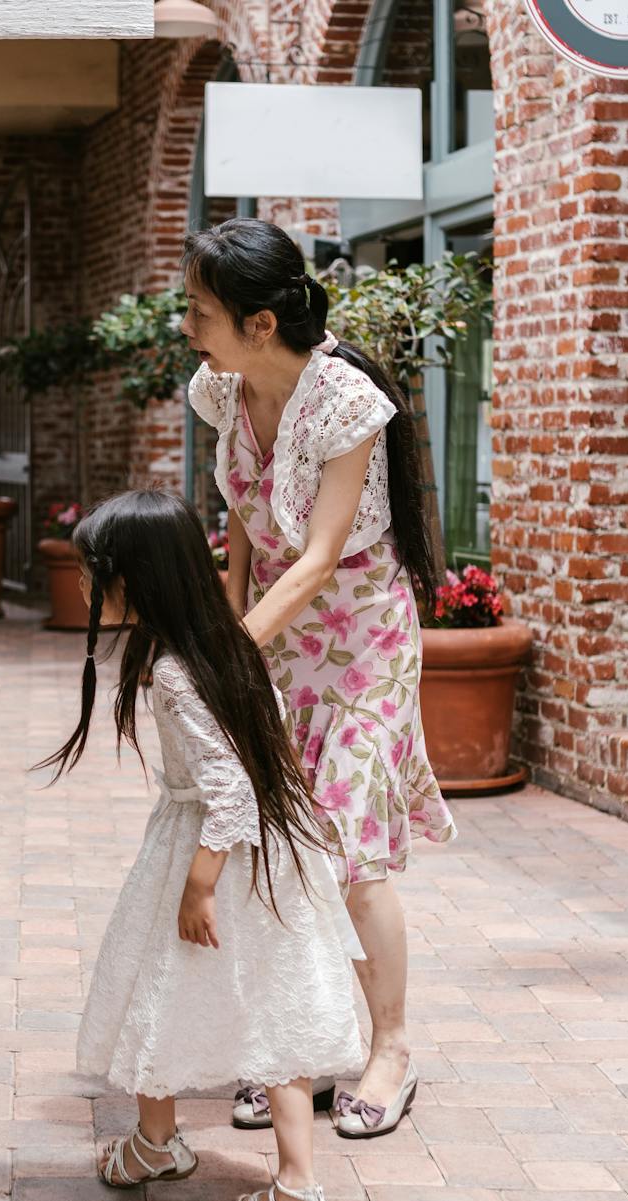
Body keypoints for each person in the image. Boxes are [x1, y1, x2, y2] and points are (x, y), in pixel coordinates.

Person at [181, 218, 455, 1139]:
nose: (187, 324)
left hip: (363, 645)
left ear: (261, 323)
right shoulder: (222, 392)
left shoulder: (344, 404)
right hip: (279, 642)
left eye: (201, 309)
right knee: (279, 845)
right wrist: (227, 625)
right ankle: (297, 1045)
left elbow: (319, 554)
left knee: (348, 847)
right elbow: (247, 534)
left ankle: (391, 1048)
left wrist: (226, 656)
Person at [43, 489, 365, 1201]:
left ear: (140, 578)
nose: (87, 586)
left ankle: (157, 1144)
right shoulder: (228, 645)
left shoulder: (175, 671)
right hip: (271, 860)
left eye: (96, 572)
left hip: (215, 852)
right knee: (275, 1009)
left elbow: (229, 790)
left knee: (159, 984)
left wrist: (198, 885)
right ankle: (297, 1186)